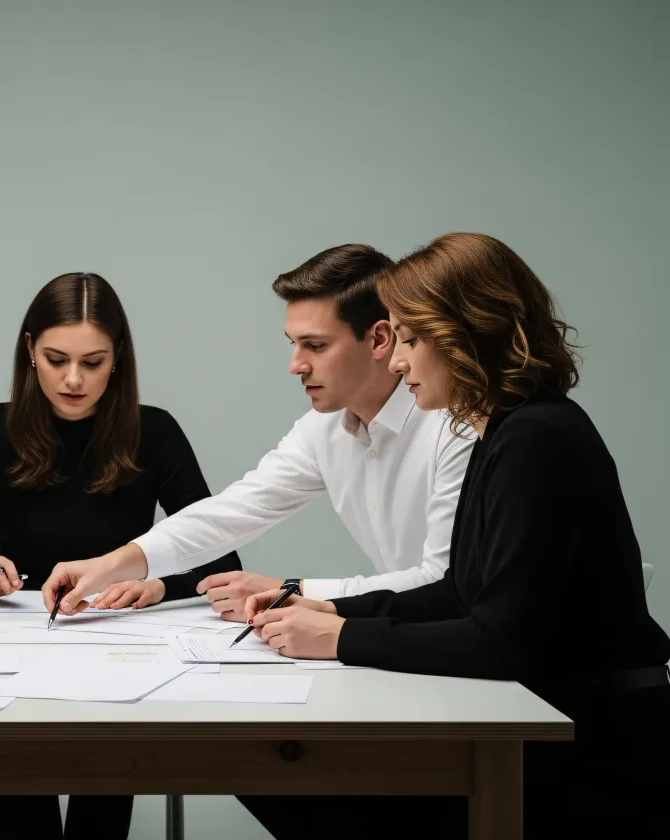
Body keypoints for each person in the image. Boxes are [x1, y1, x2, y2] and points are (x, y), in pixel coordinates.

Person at [236, 233, 670, 837]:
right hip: (551, 722)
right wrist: (327, 606)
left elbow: (498, 643)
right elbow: (459, 592)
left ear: (466, 334)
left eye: (410, 339)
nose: (396, 361)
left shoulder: (535, 440)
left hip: (593, 751)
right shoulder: (505, 431)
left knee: (285, 773)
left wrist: (341, 637)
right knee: (278, 771)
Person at [0, 272, 240, 839]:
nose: (73, 379)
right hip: (20, 651)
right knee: (23, 794)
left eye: (93, 362)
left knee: (104, 789)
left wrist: (159, 586)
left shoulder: (154, 432)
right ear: (29, 351)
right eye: (56, 358)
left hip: (121, 651)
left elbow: (223, 565)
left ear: (117, 359)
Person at [40, 245, 475, 620]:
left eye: (316, 346)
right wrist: (110, 565)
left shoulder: (454, 425)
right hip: (402, 631)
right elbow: (232, 512)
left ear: (380, 339)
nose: (296, 365)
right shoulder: (321, 430)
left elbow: (441, 580)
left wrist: (292, 591)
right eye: (294, 344)